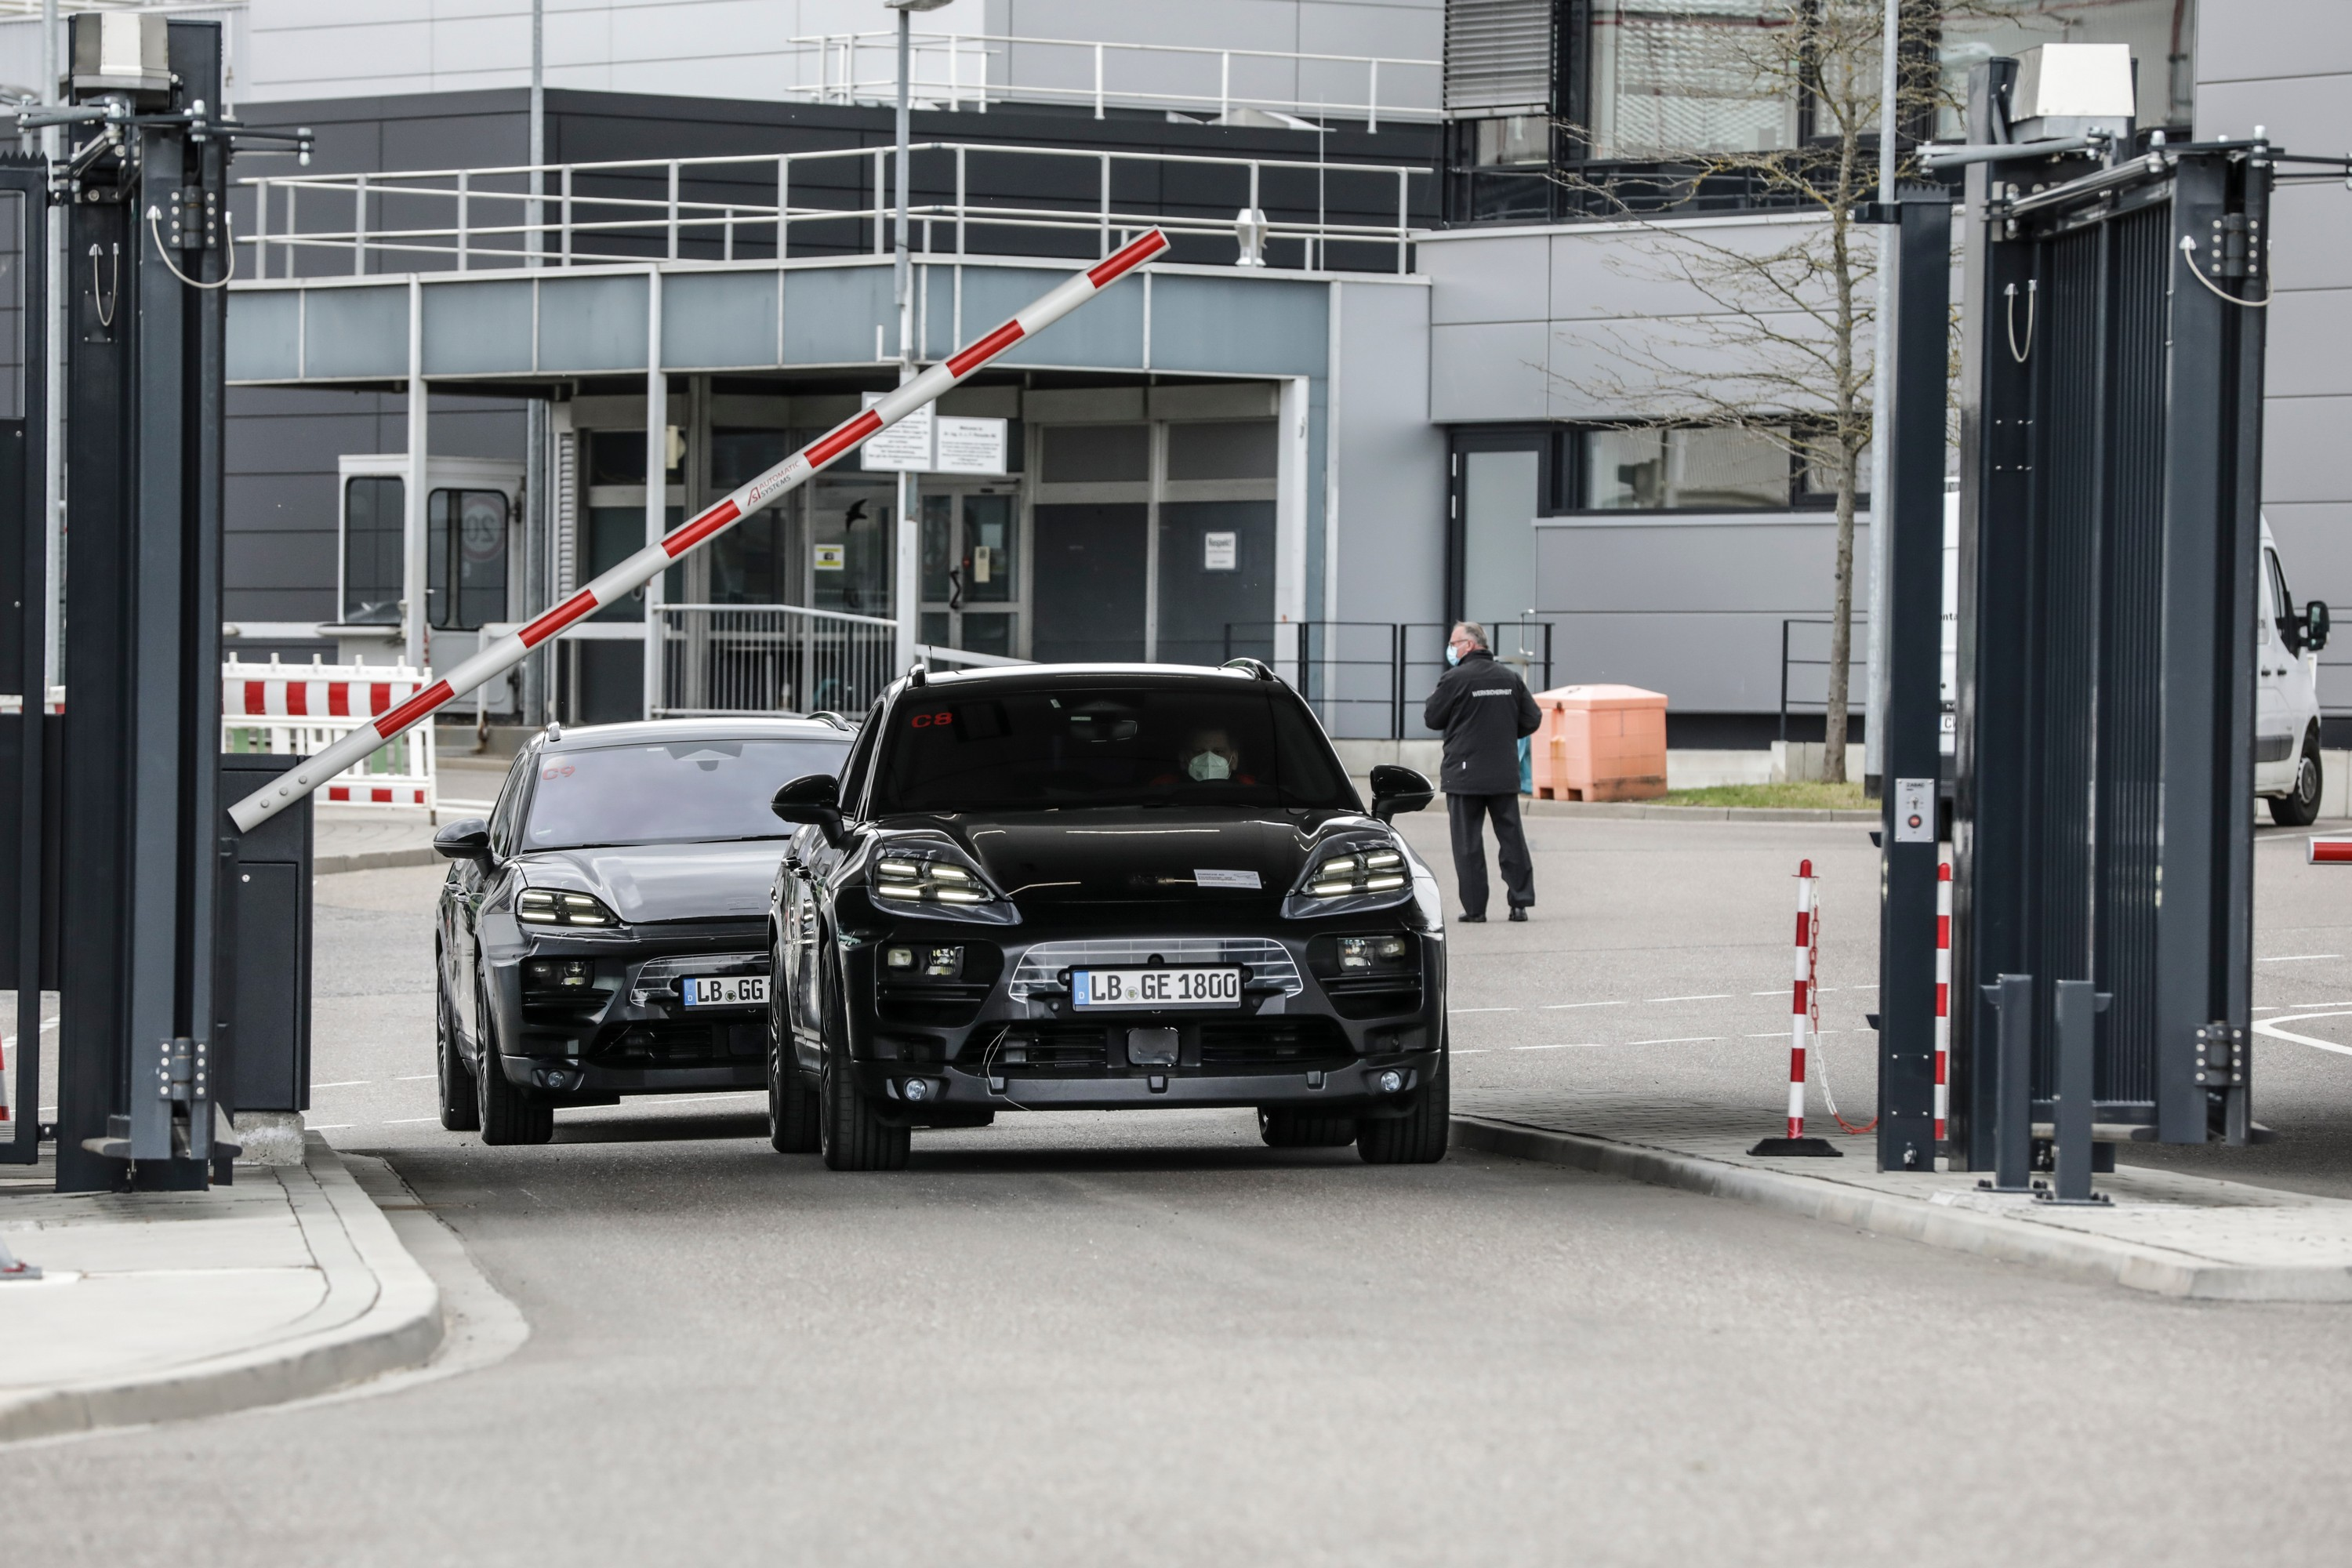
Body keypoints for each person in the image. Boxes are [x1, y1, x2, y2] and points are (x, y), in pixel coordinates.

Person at [1422, 622, 1541, 923]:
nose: (1451, 648)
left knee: (1467, 844)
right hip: (1502, 772)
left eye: (1454, 643)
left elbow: (1432, 718)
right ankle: (1520, 903)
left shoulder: (1455, 679)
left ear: (1469, 646)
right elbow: (1532, 718)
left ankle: (1475, 909)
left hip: (1465, 775)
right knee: (1511, 838)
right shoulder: (1510, 678)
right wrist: (1503, 735)